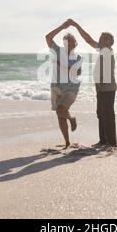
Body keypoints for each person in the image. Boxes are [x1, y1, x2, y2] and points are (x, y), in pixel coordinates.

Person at [69, 19, 117, 148]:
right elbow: (88, 40)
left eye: (103, 38)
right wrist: (76, 25)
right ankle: (103, 140)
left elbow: (107, 72)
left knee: (107, 114)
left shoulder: (107, 51)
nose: (100, 39)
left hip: (106, 87)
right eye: (100, 37)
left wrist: (100, 86)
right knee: (101, 114)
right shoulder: (103, 50)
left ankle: (112, 143)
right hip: (102, 87)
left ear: (110, 42)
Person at [45, 20, 82, 149]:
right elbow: (48, 37)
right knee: (60, 116)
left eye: (71, 41)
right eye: (66, 40)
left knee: (61, 110)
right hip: (56, 87)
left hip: (71, 89)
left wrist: (63, 66)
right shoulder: (56, 50)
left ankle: (72, 119)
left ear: (74, 43)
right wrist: (62, 27)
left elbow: (78, 72)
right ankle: (67, 142)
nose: (68, 43)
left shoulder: (77, 58)